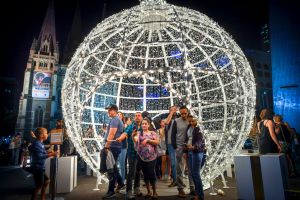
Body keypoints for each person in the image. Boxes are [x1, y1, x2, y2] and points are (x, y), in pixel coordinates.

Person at [116, 112, 143, 199]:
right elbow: (125, 133)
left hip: (141, 153)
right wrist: (120, 138)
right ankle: (128, 191)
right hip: (131, 152)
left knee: (138, 171)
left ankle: (136, 188)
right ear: (134, 118)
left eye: (139, 116)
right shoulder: (131, 126)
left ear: (141, 117)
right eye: (136, 116)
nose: (137, 117)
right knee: (131, 171)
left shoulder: (144, 126)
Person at [132, 118, 160, 199]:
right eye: (142, 124)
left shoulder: (152, 133)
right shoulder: (139, 133)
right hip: (141, 157)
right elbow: (136, 141)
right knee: (145, 174)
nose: (144, 125)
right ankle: (149, 192)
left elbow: (157, 142)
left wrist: (148, 140)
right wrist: (132, 136)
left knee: (151, 173)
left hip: (152, 157)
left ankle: (155, 192)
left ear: (148, 124)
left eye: (145, 124)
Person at [29, 127, 58, 200]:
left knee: (47, 181)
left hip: (40, 167)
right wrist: (52, 154)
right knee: (38, 186)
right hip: (38, 168)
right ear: (41, 135)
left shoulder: (40, 143)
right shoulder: (37, 144)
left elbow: (43, 152)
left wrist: (49, 152)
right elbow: (40, 156)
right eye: (46, 133)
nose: (47, 135)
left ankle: (42, 197)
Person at [103, 104, 125, 199]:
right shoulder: (115, 120)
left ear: (115, 110)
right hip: (114, 147)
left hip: (112, 147)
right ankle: (120, 183)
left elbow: (112, 134)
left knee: (110, 169)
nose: (108, 111)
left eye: (110, 110)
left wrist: (106, 147)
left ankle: (111, 191)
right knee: (114, 167)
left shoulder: (115, 120)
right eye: (108, 110)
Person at [172, 106, 194, 198]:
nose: (183, 115)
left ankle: (192, 188)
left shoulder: (192, 120)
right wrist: (175, 147)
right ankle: (180, 189)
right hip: (179, 147)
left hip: (190, 147)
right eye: (182, 113)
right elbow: (173, 135)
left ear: (188, 112)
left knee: (191, 168)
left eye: (185, 113)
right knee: (179, 169)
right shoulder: (176, 121)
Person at [185, 117, 205, 200]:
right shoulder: (189, 127)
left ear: (196, 120)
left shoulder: (199, 128)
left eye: (193, 121)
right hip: (190, 151)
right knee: (193, 173)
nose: (191, 122)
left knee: (196, 174)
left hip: (197, 152)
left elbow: (200, 140)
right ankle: (197, 195)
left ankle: (201, 196)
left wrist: (194, 146)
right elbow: (188, 138)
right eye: (189, 121)